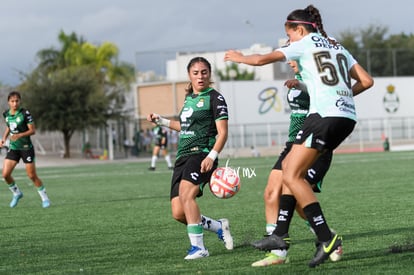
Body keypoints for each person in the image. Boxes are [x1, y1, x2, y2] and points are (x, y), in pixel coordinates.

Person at [224, 5, 373, 267]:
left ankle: (326, 238)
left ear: (300, 29)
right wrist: (343, 97)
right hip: (345, 117)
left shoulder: (305, 43)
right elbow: (367, 80)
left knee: (292, 175)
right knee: (290, 172)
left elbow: (261, 60)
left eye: (290, 35)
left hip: (323, 117)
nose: (289, 41)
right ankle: (280, 234)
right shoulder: (336, 45)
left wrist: (238, 57)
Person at [251, 61, 341, 267]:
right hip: (292, 144)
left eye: (293, 54)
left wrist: (302, 86)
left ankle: (329, 238)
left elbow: (326, 93)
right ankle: (278, 251)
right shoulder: (299, 78)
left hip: (313, 144)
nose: (290, 60)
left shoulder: (318, 75)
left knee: (300, 203)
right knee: (270, 194)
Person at [146, 56, 233, 260]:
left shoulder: (215, 98)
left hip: (202, 153)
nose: (200, 76)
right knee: (178, 212)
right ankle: (219, 226)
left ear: (209, 74)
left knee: (187, 195)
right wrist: (161, 121)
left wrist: (212, 155)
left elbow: (223, 132)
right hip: (182, 156)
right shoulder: (189, 100)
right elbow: (184, 127)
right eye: (196, 73)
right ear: (189, 76)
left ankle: (199, 248)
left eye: (204, 72)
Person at [0, 91, 51, 208]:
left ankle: (45, 198)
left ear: (20, 101)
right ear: (8, 102)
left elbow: (32, 130)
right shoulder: (6, 114)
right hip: (13, 148)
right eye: (12, 101)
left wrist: (20, 135)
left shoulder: (25, 113)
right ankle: (17, 193)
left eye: (17, 101)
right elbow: (9, 126)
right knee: (5, 174)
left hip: (26, 148)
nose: (14, 103)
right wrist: (3, 138)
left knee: (32, 176)